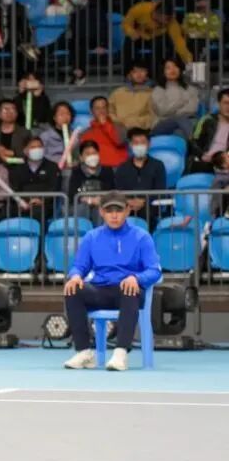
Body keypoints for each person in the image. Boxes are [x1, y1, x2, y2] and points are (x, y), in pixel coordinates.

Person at [64, 191, 163, 372]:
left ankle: (121, 353)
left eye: (118, 210)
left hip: (129, 291)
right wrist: (75, 276)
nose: (114, 215)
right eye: (109, 211)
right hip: (100, 290)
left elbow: (154, 270)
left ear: (127, 211)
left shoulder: (141, 237)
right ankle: (84, 352)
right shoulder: (91, 237)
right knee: (72, 289)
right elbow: (79, 266)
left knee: (129, 289)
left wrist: (136, 278)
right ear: (102, 212)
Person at [114, 128, 167, 228]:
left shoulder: (158, 166)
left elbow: (160, 191)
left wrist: (143, 201)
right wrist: (129, 202)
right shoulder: (122, 168)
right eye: (136, 143)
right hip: (127, 207)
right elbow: (118, 191)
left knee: (146, 210)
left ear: (149, 144)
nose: (139, 146)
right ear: (130, 145)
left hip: (150, 208)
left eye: (142, 142)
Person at [151, 58, 199, 140]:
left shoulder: (191, 89)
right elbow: (162, 111)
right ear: (163, 72)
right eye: (168, 68)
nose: (172, 70)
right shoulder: (158, 90)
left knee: (179, 132)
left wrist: (173, 111)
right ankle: (195, 141)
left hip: (186, 122)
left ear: (180, 69)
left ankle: (192, 144)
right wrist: (182, 101)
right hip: (163, 124)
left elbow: (192, 109)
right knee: (180, 119)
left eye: (175, 66)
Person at [68, 139, 116, 220]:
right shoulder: (76, 172)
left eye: (94, 153)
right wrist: (90, 200)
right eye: (88, 154)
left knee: (101, 210)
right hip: (82, 207)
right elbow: (73, 194)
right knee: (82, 209)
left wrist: (101, 200)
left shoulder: (107, 170)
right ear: (81, 157)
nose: (92, 156)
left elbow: (111, 191)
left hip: (102, 205)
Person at [109, 62, 155, 132]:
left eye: (142, 71)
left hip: (142, 130)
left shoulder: (153, 93)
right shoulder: (117, 92)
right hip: (118, 128)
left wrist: (133, 122)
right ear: (129, 75)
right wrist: (119, 122)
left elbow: (153, 115)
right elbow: (109, 111)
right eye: (135, 71)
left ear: (147, 74)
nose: (139, 74)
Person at [191, 88, 229, 171]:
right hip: (204, 162)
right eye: (226, 103)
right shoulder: (206, 120)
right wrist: (202, 155)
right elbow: (194, 141)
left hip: (224, 164)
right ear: (218, 104)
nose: (228, 107)